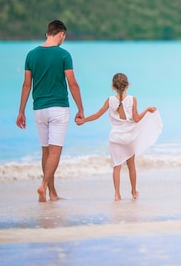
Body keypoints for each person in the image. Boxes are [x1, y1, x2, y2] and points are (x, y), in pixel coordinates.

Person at [16, 20, 84, 202]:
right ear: (61, 34)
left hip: (38, 109)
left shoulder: (31, 55)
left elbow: (26, 85)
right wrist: (80, 108)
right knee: (55, 151)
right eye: (64, 37)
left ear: (48, 33)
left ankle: (52, 194)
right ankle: (44, 186)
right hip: (58, 108)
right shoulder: (64, 55)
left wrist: (21, 111)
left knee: (45, 151)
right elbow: (72, 83)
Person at [76, 73, 161, 201]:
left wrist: (84, 120)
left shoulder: (110, 100)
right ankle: (133, 191)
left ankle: (117, 194)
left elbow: (98, 115)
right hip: (129, 137)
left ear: (113, 87)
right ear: (127, 85)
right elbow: (137, 119)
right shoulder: (132, 99)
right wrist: (147, 109)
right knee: (131, 164)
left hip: (115, 137)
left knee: (117, 166)